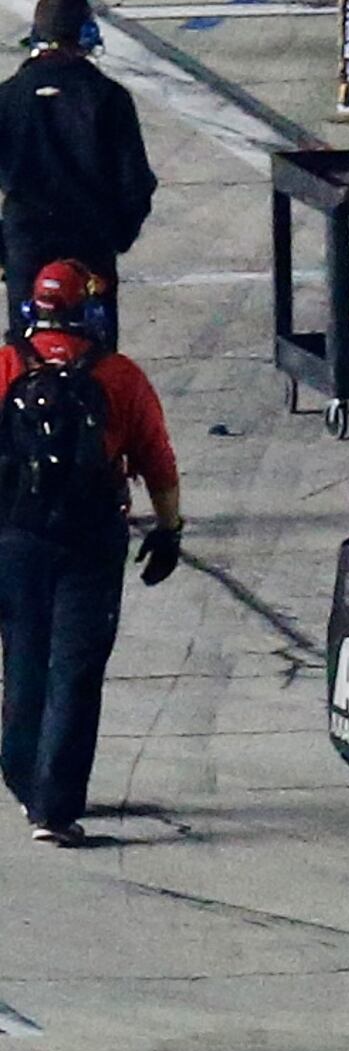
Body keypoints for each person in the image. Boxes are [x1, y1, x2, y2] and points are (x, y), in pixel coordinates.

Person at [0, 261, 183, 847]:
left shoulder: (5, 366)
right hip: (90, 542)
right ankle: (55, 808)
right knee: (75, 670)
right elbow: (157, 459)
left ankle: (25, 779)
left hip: (16, 538)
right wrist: (169, 529)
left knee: (24, 659)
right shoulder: (119, 376)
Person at [0, 0, 149, 342]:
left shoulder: (7, 98)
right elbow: (136, 183)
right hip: (90, 241)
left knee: (26, 351)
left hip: (27, 242)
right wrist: (117, 236)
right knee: (95, 356)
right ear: (85, 33)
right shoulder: (108, 96)